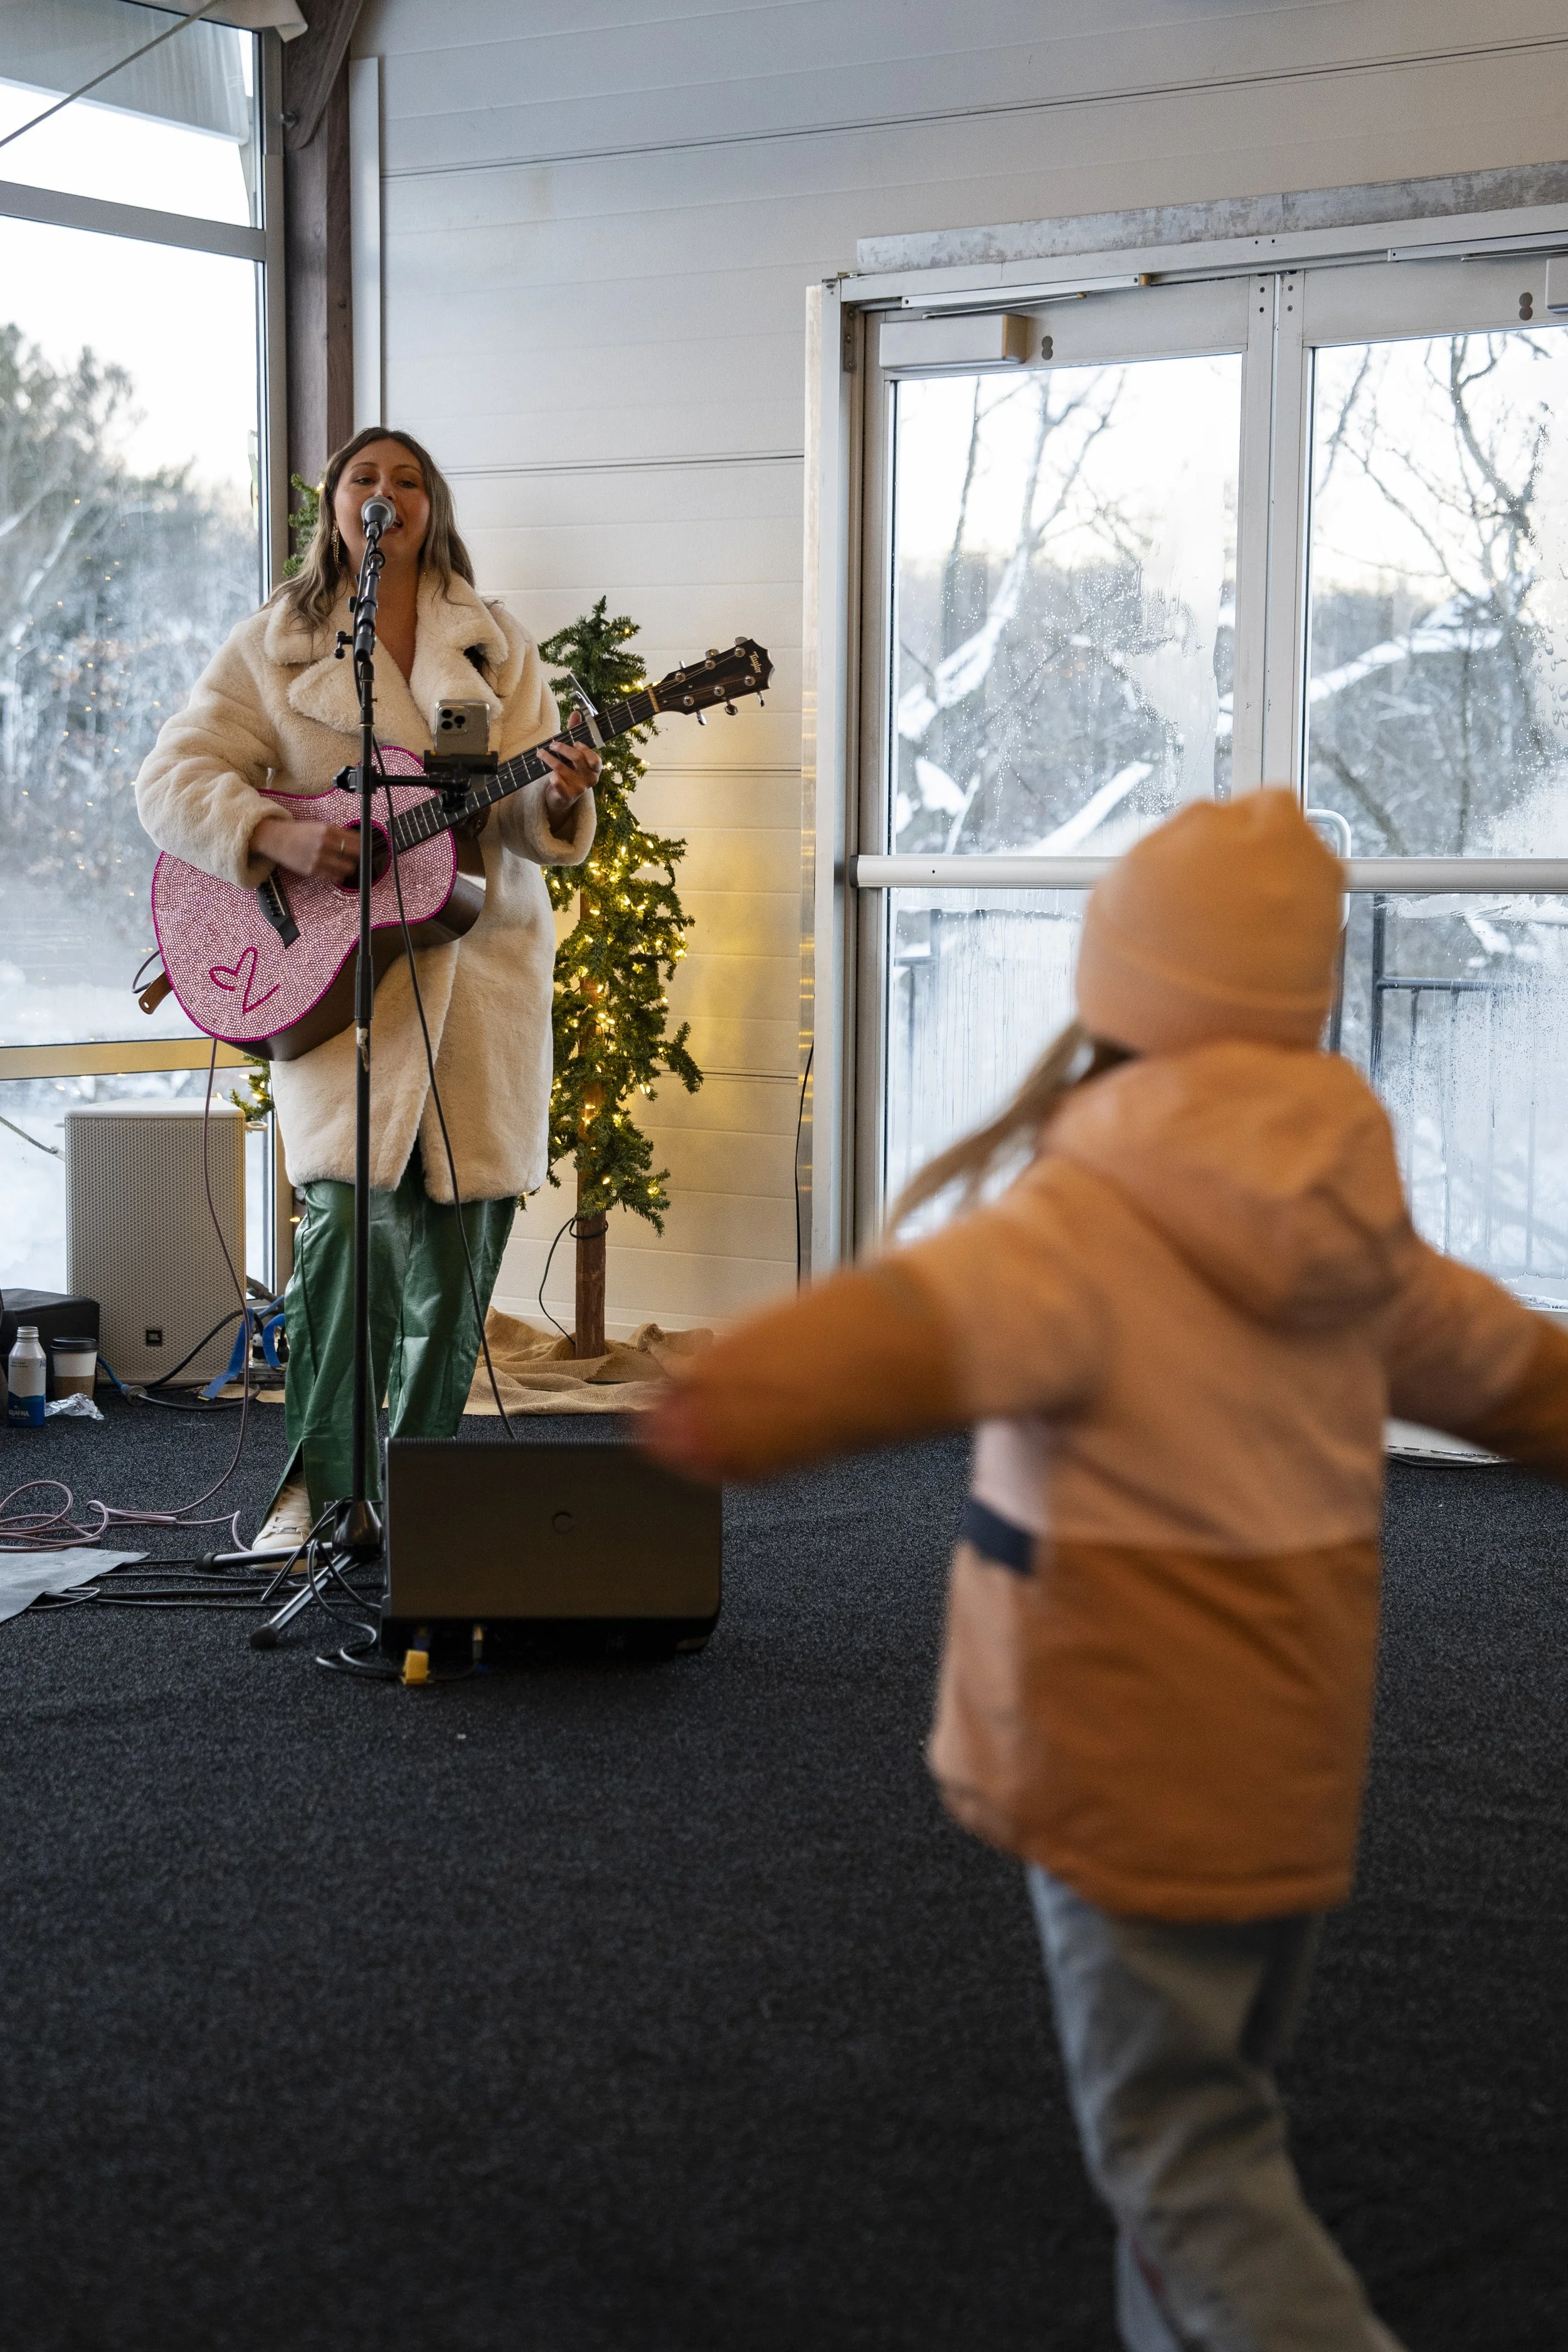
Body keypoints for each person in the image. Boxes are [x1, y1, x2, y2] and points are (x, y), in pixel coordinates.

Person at [642, 792, 1568, 2352]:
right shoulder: (1351, 1235)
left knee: (1184, 2162)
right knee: (1210, 2114)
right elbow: (1514, 1372)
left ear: (1118, 991)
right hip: (1283, 1788)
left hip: (1124, 1778)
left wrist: (735, 1398)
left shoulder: (1085, 1222)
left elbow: (912, 1326)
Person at [135, 427, 601, 1535]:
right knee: (339, 1232)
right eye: (363, 480)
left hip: (479, 979)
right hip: (340, 976)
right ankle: (318, 1487)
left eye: (406, 481)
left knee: (457, 1250)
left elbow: (533, 819)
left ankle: (420, 1502)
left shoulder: (497, 650)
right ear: (335, 507)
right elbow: (171, 780)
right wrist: (277, 839)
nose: (383, 495)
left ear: (430, 506)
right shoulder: (276, 643)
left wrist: (568, 794)